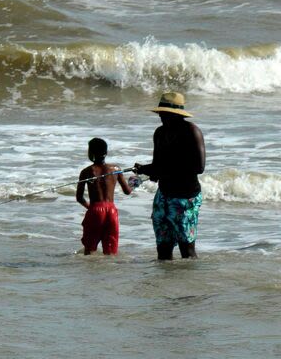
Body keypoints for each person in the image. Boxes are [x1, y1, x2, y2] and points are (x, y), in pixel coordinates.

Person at [133, 91, 206, 261]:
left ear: (177, 115)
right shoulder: (159, 133)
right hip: (163, 196)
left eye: (165, 114)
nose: (161, 117)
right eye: (160, 113)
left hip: (185, 198)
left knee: (186, 250)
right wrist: (145, 170)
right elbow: (157, 167)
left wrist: (163, 169)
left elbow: (199, 167)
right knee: (163, 250)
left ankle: (188, 285)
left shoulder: (192, 131)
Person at [77, 138, 134, 256]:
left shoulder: (86, 172)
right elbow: (127, 191)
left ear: (91, 153)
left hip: (95, 209)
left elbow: (79, 197)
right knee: (110, 250)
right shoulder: (116, 169)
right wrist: (134, 183)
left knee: (90, 249)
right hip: (112, 211)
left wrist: (90, 208)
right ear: (106, 152)